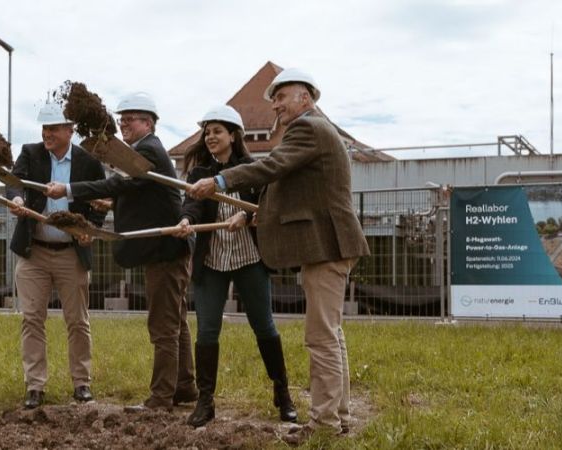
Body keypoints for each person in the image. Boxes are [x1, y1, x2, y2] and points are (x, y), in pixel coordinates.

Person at [187, 69, 370, 442]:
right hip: (331, 244)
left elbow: (271, 167)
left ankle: (323, 425)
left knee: (320, 337)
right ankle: (340, 417)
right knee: (331, 336)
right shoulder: (319, 130)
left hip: (327, 246)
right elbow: (287, 186)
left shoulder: (307, 129)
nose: (275, 104)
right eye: (273, 97)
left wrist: (221, 181)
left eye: (281, 96)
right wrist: (254, 212)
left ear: (306, 97)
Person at [46, 92, 198, 411]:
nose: (122, 124)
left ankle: (160, 398)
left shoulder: (148, 151)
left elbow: (117, 183)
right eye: (121, 119)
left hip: (166, 250)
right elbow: (138, 191)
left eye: (129, 119)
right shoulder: (145, 152)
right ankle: (184, 387)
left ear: (148, 122)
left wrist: (69, 189)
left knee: (163, 326)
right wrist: (113, 202)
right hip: (167, 249)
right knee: (176, 320)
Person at [171, 105, 297, 428]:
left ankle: (282, 392)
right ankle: (205, 401)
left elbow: (266, 206)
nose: (211, 137)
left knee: (264, 325)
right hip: (212, 261)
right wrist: (186, 220)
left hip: (249, 258)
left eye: (217, 131)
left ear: (233, 135)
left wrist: (249, 216)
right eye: (207, 132)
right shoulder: (200, 175)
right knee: (207, 329)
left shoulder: (253, 169)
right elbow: (193, 204)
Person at [6, 100, 106, 409]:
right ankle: (35, 385)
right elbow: (14, 182)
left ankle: (82, 382)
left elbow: (99, 199)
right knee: (32, 318)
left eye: (53, 128)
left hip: (70, 254)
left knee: (77, 320)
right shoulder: (30, 153)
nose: (46, 133)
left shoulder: (88, 162)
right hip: (33, 252)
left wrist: (91, 227)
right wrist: (18, 197)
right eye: (44, 128)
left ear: (69, 130)